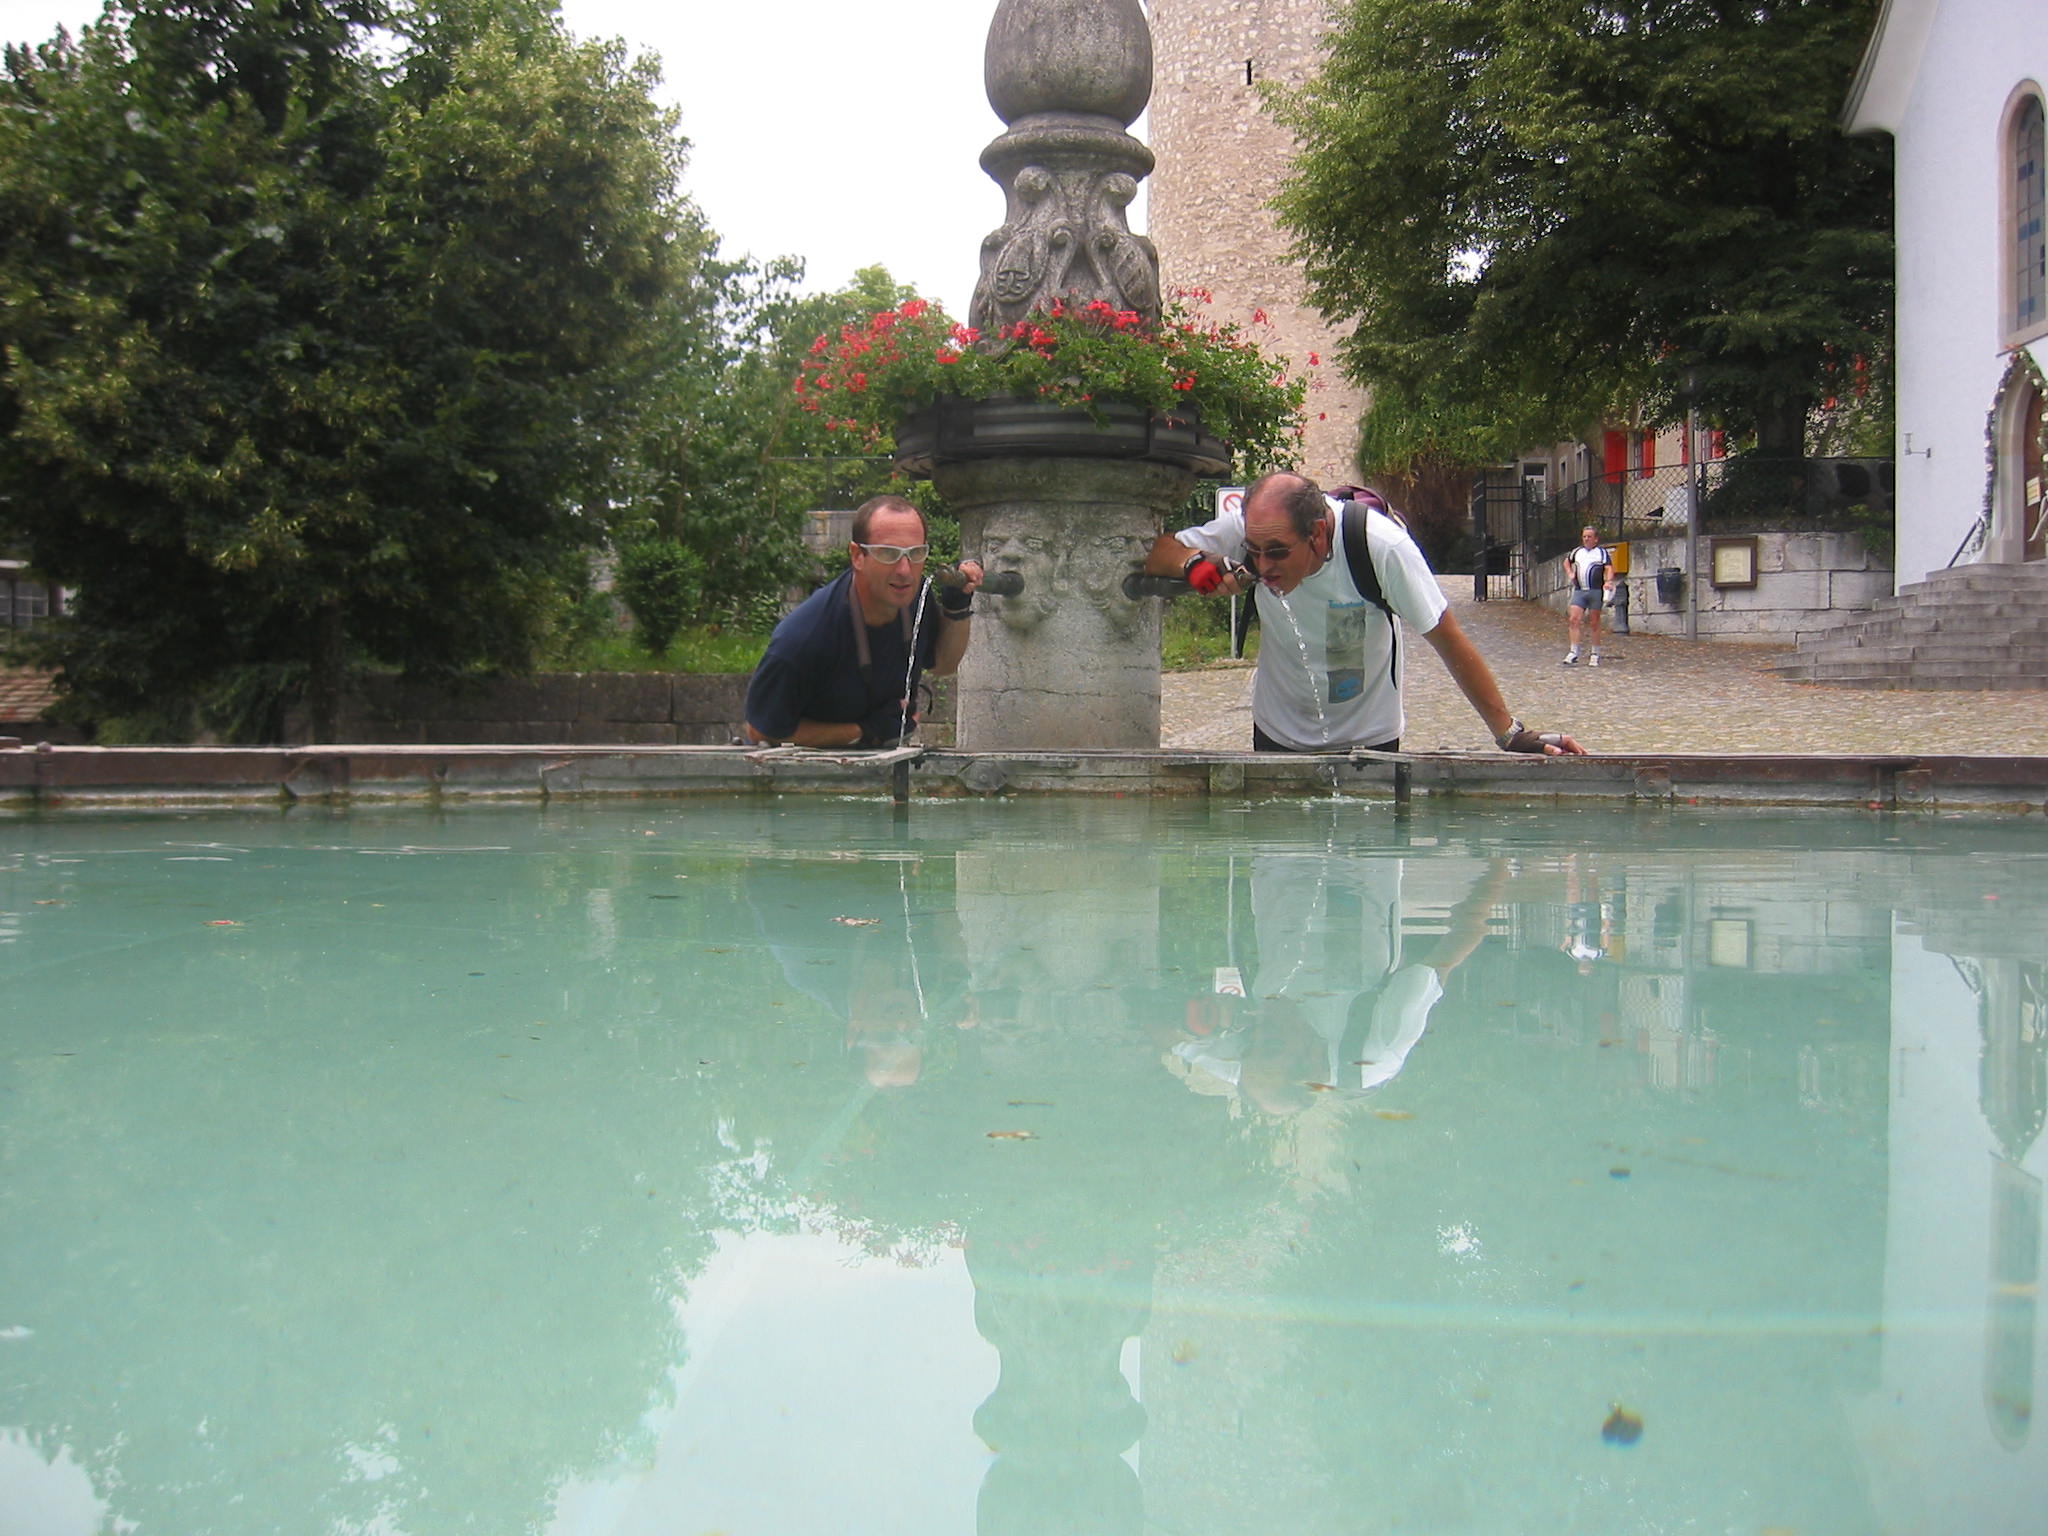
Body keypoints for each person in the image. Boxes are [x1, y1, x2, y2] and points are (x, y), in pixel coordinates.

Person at [1143, 472, 1584, 755]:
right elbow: (1159, 550)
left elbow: (1448, 639)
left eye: (1277, 552)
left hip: (1369, 743)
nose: (1263, 566)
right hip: (1277, 735)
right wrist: (1195, 564)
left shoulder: (1381, 547)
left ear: (1317, 533)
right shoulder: (1257, 527)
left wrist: (1510, 734)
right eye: (1254, 552)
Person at [745, 495, 982, 748]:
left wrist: (957, 607)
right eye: (889, 553)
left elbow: (942, 665)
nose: (904, 570)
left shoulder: (915, 598)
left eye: (915, 553)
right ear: (858, 555)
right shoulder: (804, 637)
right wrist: (864, 731)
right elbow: (759, 730)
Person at [1563, 525, 1614, 667]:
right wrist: (1570, 573)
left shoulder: (1601, 553)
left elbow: (1609, 568)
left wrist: (1609, 581)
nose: (1586, 539)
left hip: (1595, 590)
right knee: (1574, 619)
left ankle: (1595, 652)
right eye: (1584, 536)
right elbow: (1567, 562)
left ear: (1596, 539)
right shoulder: (1577, 552)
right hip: (1580, 590)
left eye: (1589, 536)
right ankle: (1573, 651)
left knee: (1594, 622)